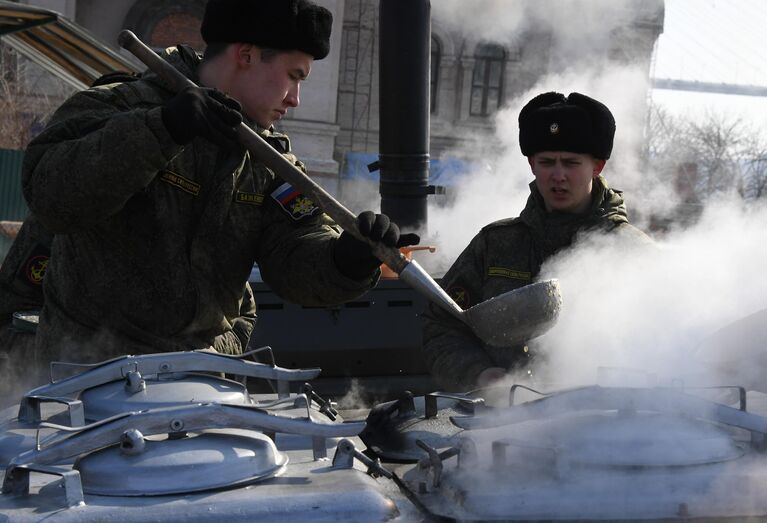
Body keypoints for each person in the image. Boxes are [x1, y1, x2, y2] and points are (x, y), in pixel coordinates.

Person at [20, 0, 417, 376]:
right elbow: (50, 193)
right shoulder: (121, 106)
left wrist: (346, 258)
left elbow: (294, 253)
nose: (296, 99)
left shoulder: (268, 161)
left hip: (203, 377)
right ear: (245, 56)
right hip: (87, 379)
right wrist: (162, 130)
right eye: (294, 76)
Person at [422, 91, 651, 391]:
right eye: (547, 162)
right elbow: (442, 324)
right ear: (531, 164)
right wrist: (480, 375)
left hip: (601, 426)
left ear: (597, 167)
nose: (558, 175)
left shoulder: (635, 254)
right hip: (496, 424)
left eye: (570, 163)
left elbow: (664, 344)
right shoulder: (496, 244)